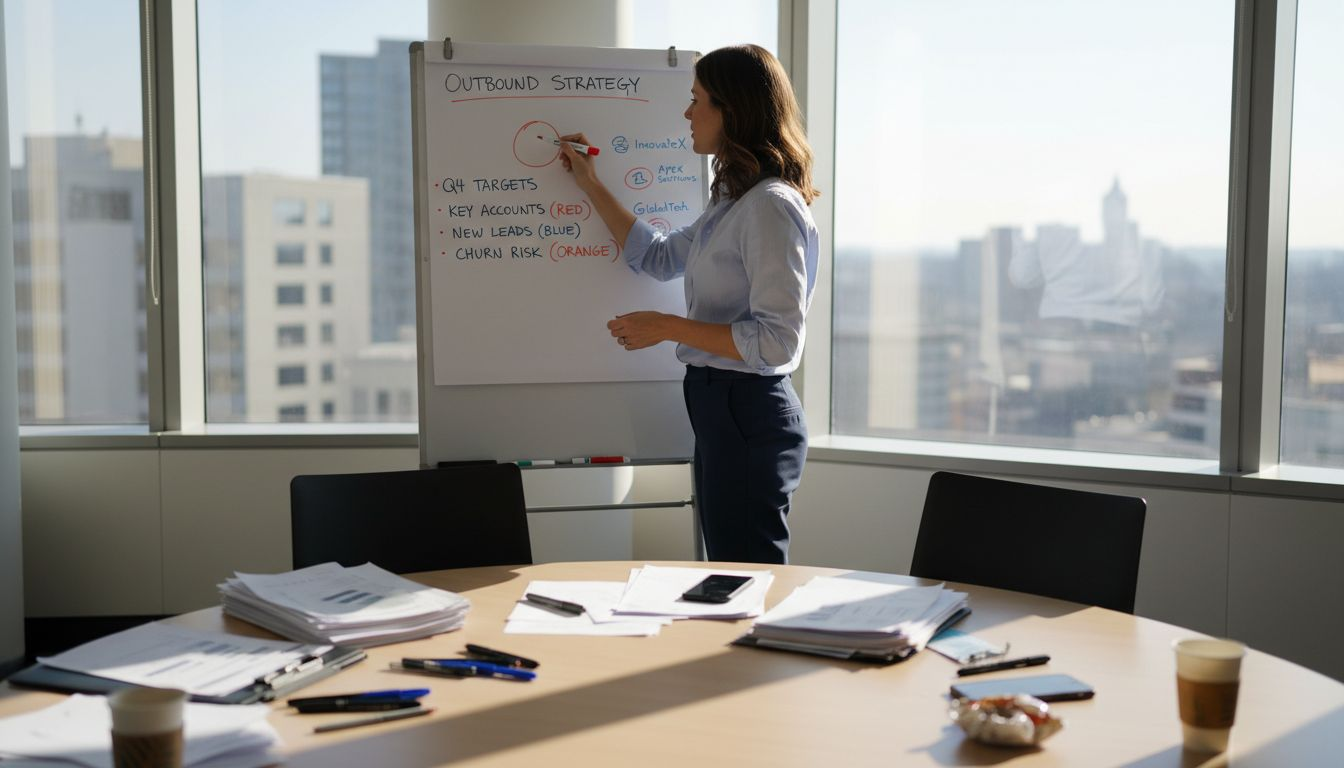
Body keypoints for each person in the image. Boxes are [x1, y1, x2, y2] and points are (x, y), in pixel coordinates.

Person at [558, 44, 819, 564]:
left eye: (697, 99)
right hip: (720, 407)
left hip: (747, 408)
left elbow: (777, 341)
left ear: (733, 110)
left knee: (744, 580)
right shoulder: (733, 203)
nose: (687, 112)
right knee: (728, 572)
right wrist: (589, 182)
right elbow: (656, 257)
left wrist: (668, 326)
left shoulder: (770, 207)